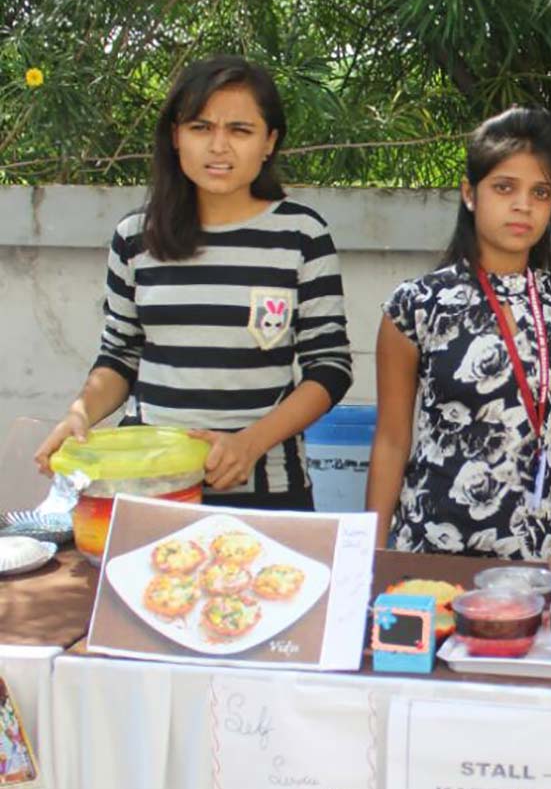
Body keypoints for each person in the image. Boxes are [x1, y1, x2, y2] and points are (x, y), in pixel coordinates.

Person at [34, 55, 352, 511]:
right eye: (201, 128)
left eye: (240, 130)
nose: (219, 146)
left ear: (269, 142)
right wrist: (79, 413)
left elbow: (330, 368)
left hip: (267, 487)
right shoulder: (135, 237)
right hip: (148, 485)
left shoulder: (302, 236)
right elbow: (120, 355)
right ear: (175, 137)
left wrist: (249, 443)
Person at [365, 107, 551, 557]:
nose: (522, 205)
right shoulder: (416, 305)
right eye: (504, 187)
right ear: (470, 193)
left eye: (540, 192)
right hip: (435, 539)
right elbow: (391, 438)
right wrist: (369, 549)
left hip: (544, 549)